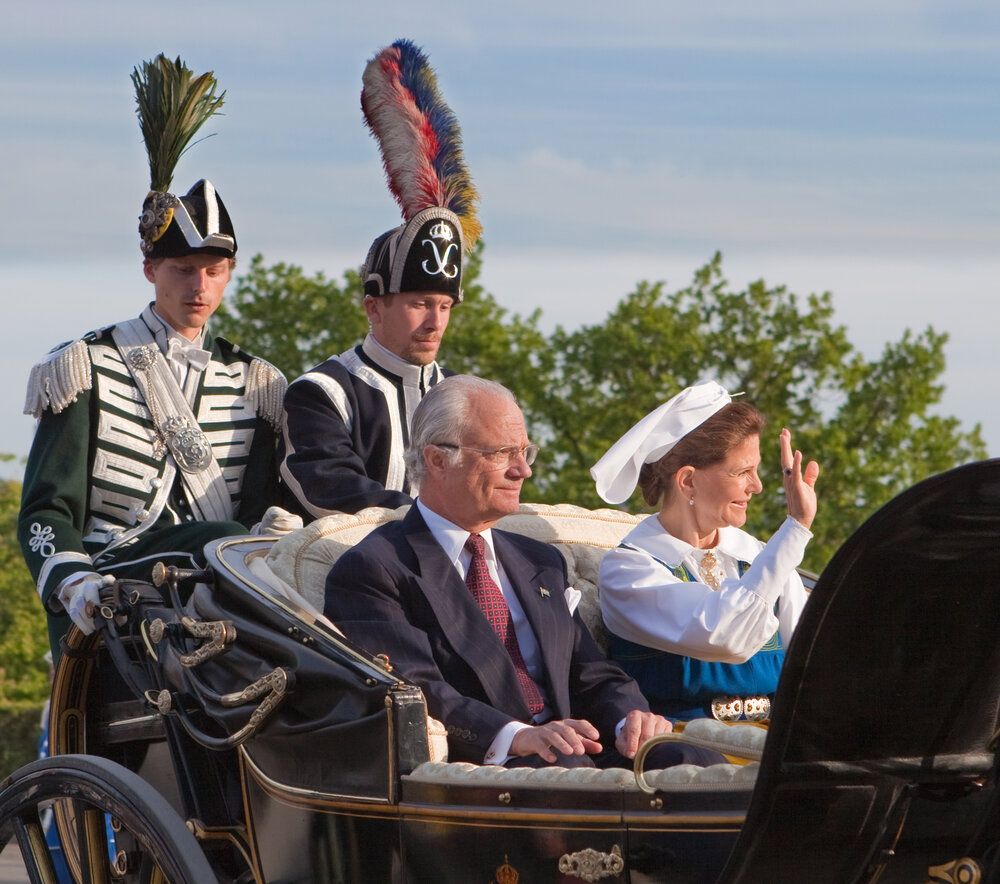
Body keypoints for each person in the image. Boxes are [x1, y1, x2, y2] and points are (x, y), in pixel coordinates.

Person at [18, 56, 285, 657]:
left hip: (222, 594)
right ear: (149, 270)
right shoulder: (86, 365)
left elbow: (265, 505)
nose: (199, 287)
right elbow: (44, 508)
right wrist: (73, 580)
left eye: (213, 271)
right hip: (112, 586)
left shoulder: (257, 382)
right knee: (223, 539)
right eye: (183, 270)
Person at [325, 376, 721, 769]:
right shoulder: (374, 569)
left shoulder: (540, 562)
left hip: (580, 749)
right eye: (501, 453)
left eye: (525, 452)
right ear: (437, 459)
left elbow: (592, 673)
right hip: (488, 767)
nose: (523, 471)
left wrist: (629, 718)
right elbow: (416, 689)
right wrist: (519, 736)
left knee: (694, 760)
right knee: (566, 768)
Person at [281, 40, 481, 519]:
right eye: (419, 303)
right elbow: (329, 489)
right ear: (374, 305)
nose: (435, 321)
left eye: (444, 305)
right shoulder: (321, 392)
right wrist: (440, 520)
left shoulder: (466, 398)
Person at [591, 381, 819, 723]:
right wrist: (795, 529)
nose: (757, 486)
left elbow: (811, 663)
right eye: (743, 472)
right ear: (688, 482)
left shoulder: (760, 557)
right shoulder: (629, 571)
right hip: (683, 756)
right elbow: (727, 635)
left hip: (769, 750)